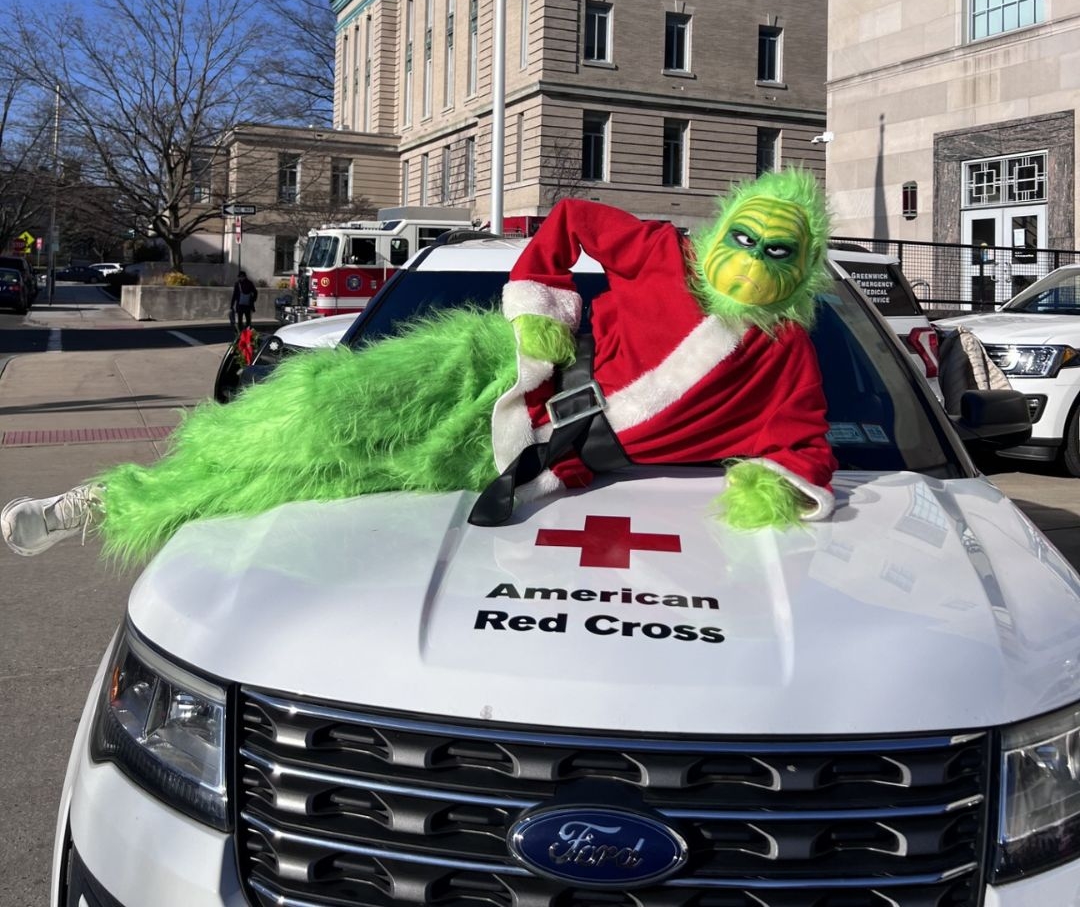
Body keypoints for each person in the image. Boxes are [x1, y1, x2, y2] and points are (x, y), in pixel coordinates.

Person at [1, 168, 836, 566]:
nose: (754, 259)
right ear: (722, 224)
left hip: (523, 459)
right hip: (480, 361)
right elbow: (573, 220)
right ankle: (106, 496)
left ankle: (121, 508)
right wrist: (542, 313)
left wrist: (772, 483)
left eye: (777, 252)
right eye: (745, 237)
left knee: (314, 481)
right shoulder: (667, 250)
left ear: (801, 270)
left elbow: (803, 444)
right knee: (314, 413)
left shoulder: (784, 356)